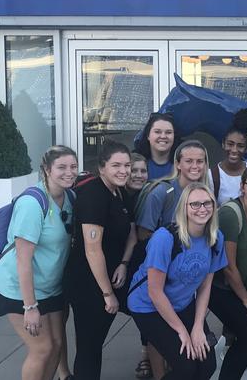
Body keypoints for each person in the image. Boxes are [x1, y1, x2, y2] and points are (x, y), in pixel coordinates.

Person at [0, 146, 77, 380]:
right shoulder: (32, 203)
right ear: (47, 170)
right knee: (42, 349)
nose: (69, 172)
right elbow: (23, 261)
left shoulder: (70, 197)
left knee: (57, 345)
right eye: (61, 167)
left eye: (73, 167)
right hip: (18, 288)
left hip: (51, 286)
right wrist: (30, 307)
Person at [128, 183, 227, 380]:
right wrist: (182, 330)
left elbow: (206, 286)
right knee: (185, 367)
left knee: (207, 364)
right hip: (149, 306)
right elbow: (155, 292)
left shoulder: (215, 238)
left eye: (207, 203)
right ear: (184, 208)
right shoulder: (165, 238)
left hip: (183, 303)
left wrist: (198, 326)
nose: (202, 209)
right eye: (195, 204)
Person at [64, 140, 137, 379]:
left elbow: (132, 233)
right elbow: (92, 249)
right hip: (88, 284)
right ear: (102, 167)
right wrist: (108, 294)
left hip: (114, 275)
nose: (123, 171)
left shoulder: (120, 191)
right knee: (90, 346)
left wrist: (124, 264)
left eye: (127, 165)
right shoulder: (94, 195)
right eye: (116, 165)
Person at [207, 164, 247, 379]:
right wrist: (245, 300)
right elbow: (228, 266)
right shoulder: (230, 214)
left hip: (241, 286)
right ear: (242, 187)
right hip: (219, 289)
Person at [137, 140, 212, 239]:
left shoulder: (207, 195)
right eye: (189, 161)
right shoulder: (161, 192)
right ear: (178, 164)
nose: (195, 166)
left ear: (206, 165)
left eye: (200, 161)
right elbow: (143, 235)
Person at [125, 153, 156, 380]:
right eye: (133, 170)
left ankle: (147, 354)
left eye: (142, 171)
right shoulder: (121, 195)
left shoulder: (149, 194)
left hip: (143, 257)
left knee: (147, 307)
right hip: (124, 259)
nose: (138, 175)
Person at [211, 108, 247, 204]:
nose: (234, 150)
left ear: (246, 149)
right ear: (223, 144)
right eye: (230, 144)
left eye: (240, 146)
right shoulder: (212, 175)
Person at [134, 113, 178, 180]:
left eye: (168, 132)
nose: (163, 136)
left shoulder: (181, 164)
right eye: (157, 132)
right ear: (148, 136)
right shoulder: (133, 162)